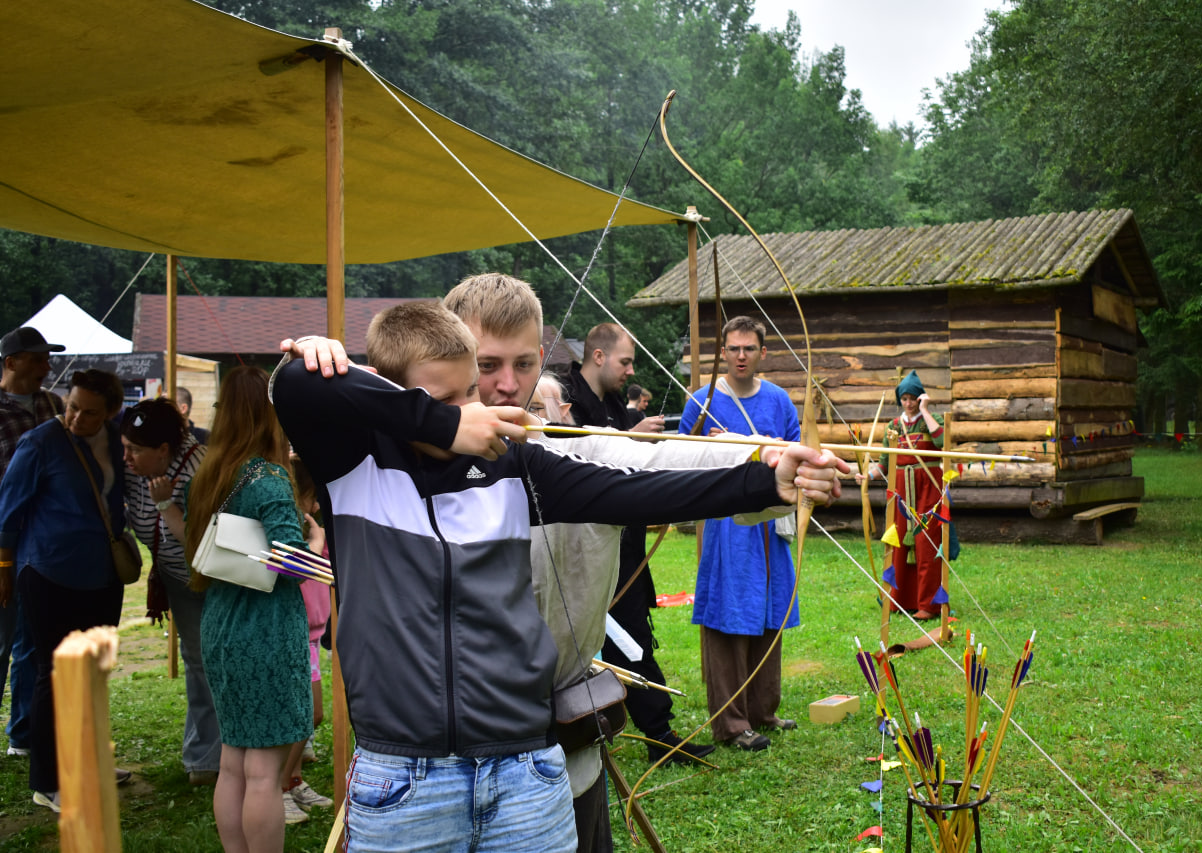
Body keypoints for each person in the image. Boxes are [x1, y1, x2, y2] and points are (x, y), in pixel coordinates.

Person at [271, 301, 846, 852]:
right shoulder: (353, 466)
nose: (477, 407)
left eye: (471, 390)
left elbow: (632, 491)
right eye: (449, 399)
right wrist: (444, 425)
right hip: (404, 774)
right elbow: (292, 385)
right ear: (394, 396)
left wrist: (765, 483)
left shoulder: (511, 463)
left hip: (522, 767)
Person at [441, 273, 793, 852]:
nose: (509, 386)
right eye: (487, 365)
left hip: (562, 754)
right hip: (445, 773)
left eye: (525, 364)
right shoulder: (408, 459)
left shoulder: (572, 455)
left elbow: (666, 461)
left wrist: (767, 461)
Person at [565, 323, 719, 764]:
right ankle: (605, 726)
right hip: (584, 549)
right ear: (598, 356)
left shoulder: (614, 403)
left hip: (625, 545)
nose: (630, 370)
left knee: (632, 636)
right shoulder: (568, 402)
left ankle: (657, 731)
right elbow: (581, 459)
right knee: (593, 641)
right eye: (625, 361)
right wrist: (632, 439)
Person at [184, 366, 313, 853]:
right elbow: (292, 564)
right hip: (263, 627)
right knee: (262, 771)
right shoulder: (267, 476)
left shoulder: (213, 472)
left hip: (221, 621)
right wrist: (314, 538)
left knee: (235, 760)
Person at [0, 368, 129, 813]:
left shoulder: (116, 438)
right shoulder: (40, 442)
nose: (76, 418)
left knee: (93, 671)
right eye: (72, 406)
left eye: (90, 412)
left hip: (102, 576)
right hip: (48, 573)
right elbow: (8, 510)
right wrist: (3, 568)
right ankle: (48, 780)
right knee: (53, 676)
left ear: (111, 412)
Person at [679, 316, 801, 752]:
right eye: (733, 349)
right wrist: (723, 448)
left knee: (769, 613)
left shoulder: (779, 400)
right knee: (729, 617)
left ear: (762, 353)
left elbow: (795, 451)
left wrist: (751, 441)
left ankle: (762, 710)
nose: (741, 356)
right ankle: (731, 724)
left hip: (768, 522)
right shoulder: (703, 400)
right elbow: (683, 459)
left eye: (749, 348)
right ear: (723, 353)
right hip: (727, 526)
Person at [120, 397, 221, 785]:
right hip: (177, 579)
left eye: (135, 450)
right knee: (200, 664)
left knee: (212, 664)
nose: (126, 457)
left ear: (164, 450)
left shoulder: (201, 470)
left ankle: (215, 758)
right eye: (125, 446)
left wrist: (166, 506)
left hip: (213, 579)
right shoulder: (136, 469)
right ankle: (205, 756)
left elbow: (202, 541)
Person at [0, 326, 65, 760]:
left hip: (44, 546)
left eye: (47, 357)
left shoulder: (54, 405)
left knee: (31, 642)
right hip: (5, 542)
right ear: (10, 363)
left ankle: (22, 734)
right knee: (3, 640)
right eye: (37, 358)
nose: (47, 365)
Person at [856, 370, 947, 620]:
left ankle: (928, 606)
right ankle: (899, 601)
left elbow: (942, 442)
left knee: (926, 545)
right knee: (897, 544)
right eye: (904, 398)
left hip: (928, 488)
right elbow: (885, 462)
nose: (908, 403)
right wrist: (869, 477)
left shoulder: (932, 418)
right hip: (900, 491)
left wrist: (926, 411)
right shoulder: (894, 426)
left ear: (921, 398)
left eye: (913, 398)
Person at [279, 454, 333, 825]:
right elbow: (291, 575)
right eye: (309, 498)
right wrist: (314, 544)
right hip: (292, 634)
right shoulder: (289, 537)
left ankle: (292, 780)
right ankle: (278, 787)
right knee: (305, 714)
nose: (314, 505)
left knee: (308, 716)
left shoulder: (316, 532)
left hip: (311, 637)